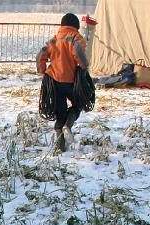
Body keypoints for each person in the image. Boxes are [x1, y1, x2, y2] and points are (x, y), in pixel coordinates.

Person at [37, 13, 89, 152]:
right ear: (76, 26)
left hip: (54, 81)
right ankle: (68, 124)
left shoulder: (54, 40)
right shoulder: (76, 38)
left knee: (60, 110)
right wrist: (83, 67)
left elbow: (40, 55)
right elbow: (78, 53)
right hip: (72, 81)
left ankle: (60, 145)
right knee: (79, 103)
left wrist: (42, 70)